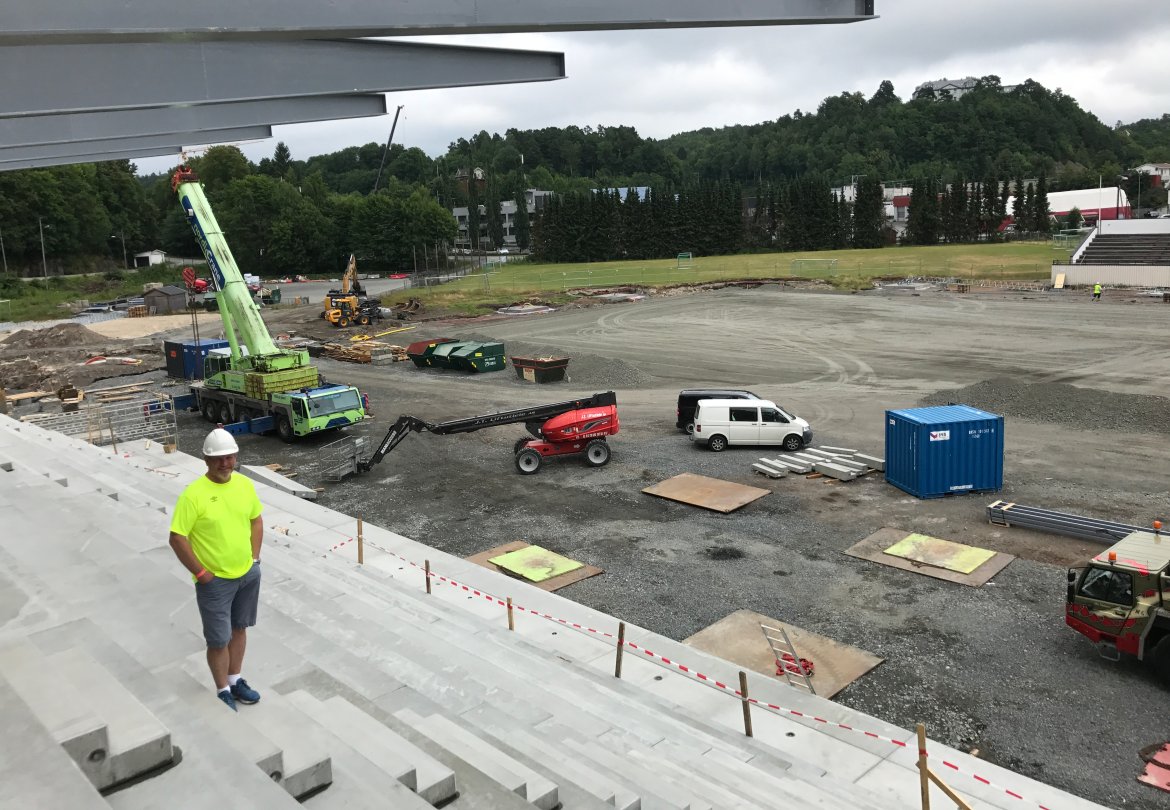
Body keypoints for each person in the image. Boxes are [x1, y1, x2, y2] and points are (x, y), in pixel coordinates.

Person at [168, 428, 264, 711]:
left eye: (229, 457)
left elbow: (256, 520)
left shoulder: (244, 485)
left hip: (247, 573)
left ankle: (235, 680)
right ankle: (223, 688)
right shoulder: (193, 495)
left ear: (235, 457)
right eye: (218, 458)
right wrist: (201, 574)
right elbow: (177, 537)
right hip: (215, 582)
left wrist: (255, 559)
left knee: (240, 629)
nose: (225, 464)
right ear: (206, 460)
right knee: (219, 639)